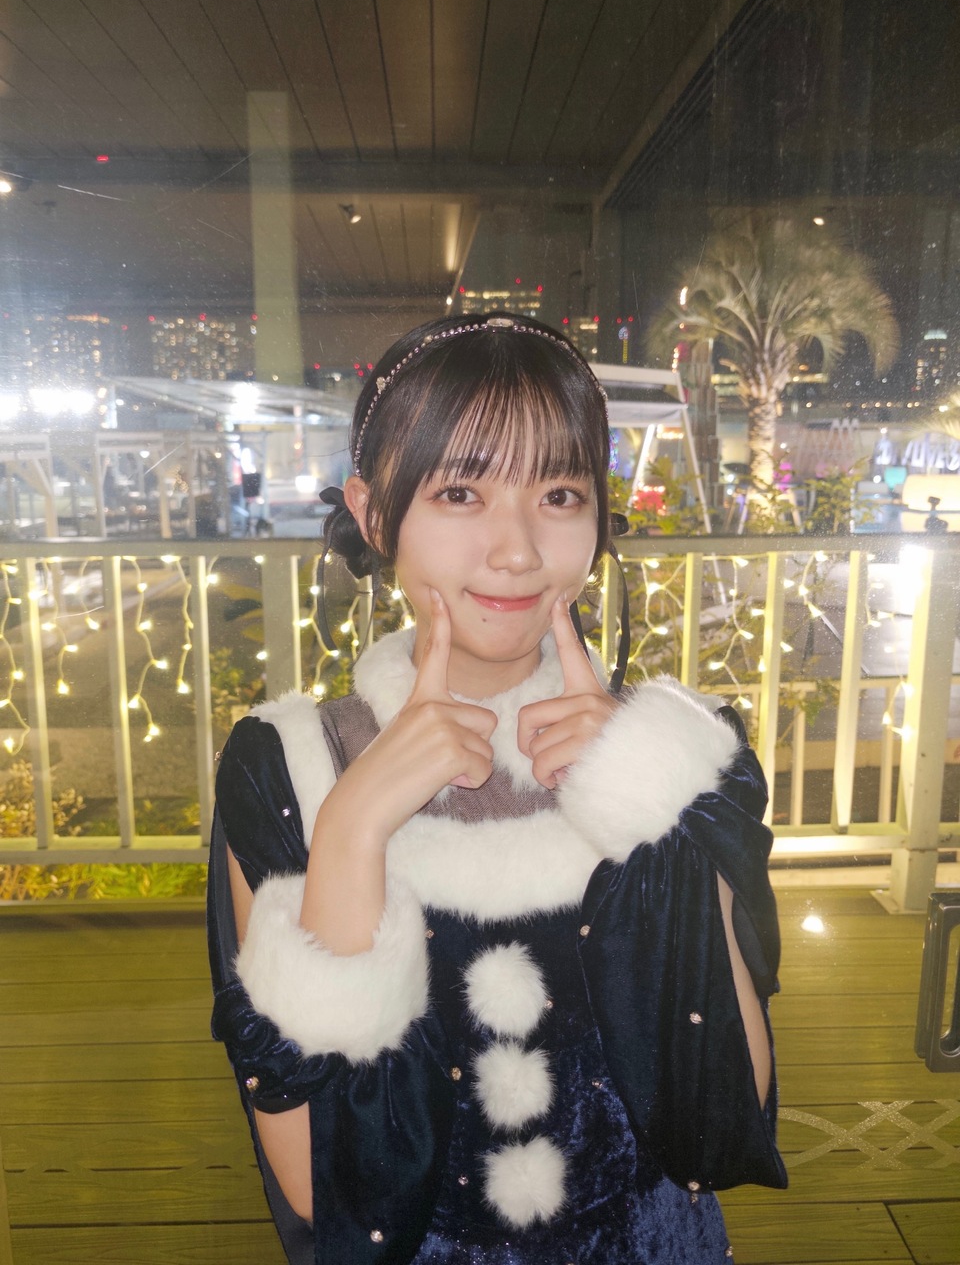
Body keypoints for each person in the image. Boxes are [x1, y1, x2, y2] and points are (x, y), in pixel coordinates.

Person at [207, 312, 786, 1265]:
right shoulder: (291, 767)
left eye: (559, 493)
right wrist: (353, 826)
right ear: (373, 513)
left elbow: (724, 1116)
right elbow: (322, 1188)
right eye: (460, 492)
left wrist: (656, 806)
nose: (516, 550)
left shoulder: (685, 751)